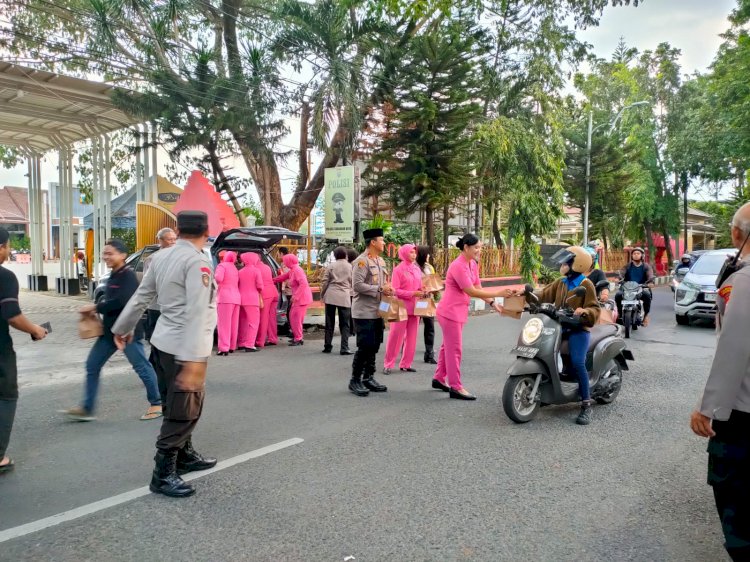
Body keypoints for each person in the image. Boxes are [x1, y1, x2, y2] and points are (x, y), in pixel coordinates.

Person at [113, 210, 217, 498]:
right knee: (184, 411)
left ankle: (185, 455)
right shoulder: (197, 262)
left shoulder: (160, 257)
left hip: (162, 344)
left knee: (174, 405)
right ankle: (163, 473)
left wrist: (122, 327)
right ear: (206, 231)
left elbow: (142, 296)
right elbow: (198, 311)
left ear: (178, 230)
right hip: (186, 348)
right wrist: (193, 360)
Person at [690, 202, 750, 561]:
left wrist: (708, 408)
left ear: (736, 234)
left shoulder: (744, 280)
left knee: (738, 509)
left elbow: (734, 349)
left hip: (742, 418)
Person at [64, 239, 162, 422]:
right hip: (109, 333)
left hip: (127, 332)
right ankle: (87, 408)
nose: (106, 256)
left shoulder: (128, 276)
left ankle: (157, 403)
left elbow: (122, 302)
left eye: (110, 253)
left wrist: (95, 307)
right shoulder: (113, 275)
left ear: (122, 255)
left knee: (141, 366)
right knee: (92, 365)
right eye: (105, 253)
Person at [523, 246, 601, 424]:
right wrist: (527, 294)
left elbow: (595, 309)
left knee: (577, 362)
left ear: (577, 264)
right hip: (558, 327)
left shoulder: (585, 284)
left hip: (577, 330)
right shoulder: (561, 282)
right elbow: (543, 296)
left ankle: (586, 404)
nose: (563, 266)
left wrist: (584, 311)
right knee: (541, 352)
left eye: (567, 263)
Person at [432, 234, 512, 401]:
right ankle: (455, 386)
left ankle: (439, 378)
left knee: (448, 347)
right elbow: (471, 291)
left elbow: (478, 286)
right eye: (476, 247)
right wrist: (498, 293)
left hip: (458, 312)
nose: (479, 250)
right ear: (466, 248)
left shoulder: (472, 264)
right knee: (454, 349)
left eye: (480, 247)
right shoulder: (458, 266)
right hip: (450, 312)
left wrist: (492, 303)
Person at [0, 227, 48, 474]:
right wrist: (36, 330)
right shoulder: (5, 276)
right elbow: (12, 315)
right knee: (6, 396)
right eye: (7, 246)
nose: (8, 251)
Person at [349, 228, 392, 397]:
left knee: (374, 346)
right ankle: (355, 379)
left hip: (377, 311)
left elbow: (382, 284)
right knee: (364, 346)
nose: (384, 243)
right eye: (381, 240)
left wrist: (387, 290)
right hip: (363, 312)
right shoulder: (361, 262)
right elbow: (357, 286)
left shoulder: (380, 261)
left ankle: (368, 377)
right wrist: (380, 288)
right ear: (373, 242)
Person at [383, 244, 426, 374]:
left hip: (415, 307)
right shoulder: (398, 270)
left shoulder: (417, 269)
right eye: (411, 252)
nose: (414, 255)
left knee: (412, 337)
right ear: (404, 253)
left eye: (415, 253)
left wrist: (423, 290)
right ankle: (388, 364)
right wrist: (413, 293)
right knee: (395, 336)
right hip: (400, 306)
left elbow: (419, 286)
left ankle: (406, 364)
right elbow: (395, 290)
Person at [144, 227, 177, 341]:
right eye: (169, 239)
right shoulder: (151, 259)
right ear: (160, 240)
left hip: (174, 306)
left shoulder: (179, 259)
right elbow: (148, 284)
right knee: (156, 339)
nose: (173, 242)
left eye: (174, 239)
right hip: (156, 306)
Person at [272, 254, 312, 346]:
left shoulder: (297, 270)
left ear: (289, 261)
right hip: (299, 298)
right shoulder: (293, 270)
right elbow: (284, 277)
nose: (284, 263)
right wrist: (272, 280)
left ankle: (298, 338)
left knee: (295, 318)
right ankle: (297, 337)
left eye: (285, 261)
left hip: (301, 299)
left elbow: (303, 284)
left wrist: (296, 296)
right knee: (294, 317)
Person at [320, 246, 353, 355]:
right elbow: (353, 282)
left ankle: (327, 346)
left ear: (335, 255)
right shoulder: (350, 267)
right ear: (345, 255)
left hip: (331, 295)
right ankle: (344, 347)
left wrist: (322, 294)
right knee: (345, 324)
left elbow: (325, 282)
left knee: (329, 323)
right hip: (344, 296)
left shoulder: (331, 266)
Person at [615, 247, 655, 326]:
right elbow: (622, 273)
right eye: (634, 254)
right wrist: (618, 278)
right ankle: (619, 314)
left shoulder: (646, 267)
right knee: (618, 295)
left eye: (638, 253)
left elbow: (650, 275)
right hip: (627, 287)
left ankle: (646, 316)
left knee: (647, 295)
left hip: (641, 287)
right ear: (632, 256)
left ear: (642, 256)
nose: (636, 255)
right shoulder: (628, 266)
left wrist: (650, 282)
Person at [215, 251, 240, 356]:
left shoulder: (222, 266)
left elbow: (218, 278)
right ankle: (232, 346)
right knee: (233, 324)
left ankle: (224, 348)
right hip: (236, 297)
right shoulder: (235, 268)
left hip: (225, 297)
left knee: (224, 324)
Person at [238, 252, 264, 352]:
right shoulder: (256, 271)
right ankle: (249, 344)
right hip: (252, 299)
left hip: (241, 298)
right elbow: (260, 286)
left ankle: (241, 342)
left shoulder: (240, 271)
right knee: (253, 322)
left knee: (243, 322)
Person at [416, 246, 438, 364]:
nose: (429, 256)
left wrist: (434, 290)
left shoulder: (429, 268)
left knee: (429, 327)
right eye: (427, 254)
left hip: (427, 300)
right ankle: (406, 349)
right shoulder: (412, 267)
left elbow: (434, 282)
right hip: (415, 300)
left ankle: (429, 354)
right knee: (412, 327)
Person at [256, 257, 279, 348]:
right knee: (271, 318)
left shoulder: (255, 268)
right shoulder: (267, 266)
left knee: (263, 318)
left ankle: (260, 341)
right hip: (274, 292)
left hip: (265, 294)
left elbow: (257, 284)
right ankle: (273, 338)